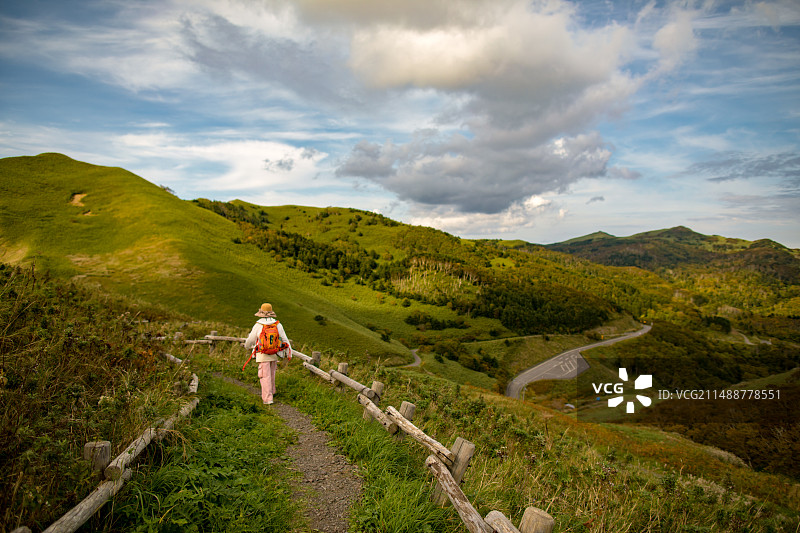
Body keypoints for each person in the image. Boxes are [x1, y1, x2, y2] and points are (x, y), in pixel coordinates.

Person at [244, 303, 292, 405]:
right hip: (275, 353)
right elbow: (285, 339)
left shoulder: (258, 325)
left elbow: (251, 340)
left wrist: (247, 346)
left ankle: (268, 399)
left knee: (264, 376)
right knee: (272, 373)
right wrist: (289, 353)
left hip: (262, 354)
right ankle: (272, 392)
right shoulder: (277, 324)